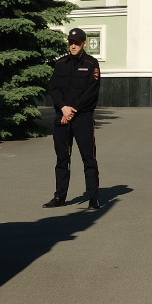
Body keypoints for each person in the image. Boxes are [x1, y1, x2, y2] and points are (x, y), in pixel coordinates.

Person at [44, 28, 103, 210]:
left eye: (77, 43)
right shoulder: (61, 63)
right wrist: (63, 109)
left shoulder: (91, 64)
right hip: (62, 117)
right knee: (62, 159)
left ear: (84, 44)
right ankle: (60, 196)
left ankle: (93, 198)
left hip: (82, 118)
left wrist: (71, 111)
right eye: (71, 42)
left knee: (88, 159)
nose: (73, 46)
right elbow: (54, 88)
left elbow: (90, 93)